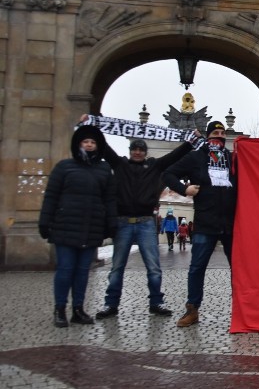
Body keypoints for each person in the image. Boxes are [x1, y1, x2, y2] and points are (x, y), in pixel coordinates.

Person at [94, 135, 197, 320]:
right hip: (123, 221)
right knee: (117, 266)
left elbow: (173, 156)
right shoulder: (119, 164)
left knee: (154, 266)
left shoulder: (155, 166)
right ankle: (111, 304)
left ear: (145, 152)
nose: (138, 152)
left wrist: (190, 142)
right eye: (135, 148)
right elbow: (104, 148)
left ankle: (156, 302)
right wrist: (92, 128)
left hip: (146, 221)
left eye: (141, 149)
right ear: (130, 150)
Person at [39, 125, 117, 327]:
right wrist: (45, 221)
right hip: (65, 226)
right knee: (65, 269)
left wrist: (111, 223)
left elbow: (109, 199)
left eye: (93, 142)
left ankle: (78, 309)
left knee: (83, 271)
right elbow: (51, 196)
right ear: (78, 144)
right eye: (85, 142)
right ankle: (60, 309)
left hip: (91, 227)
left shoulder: (103, 169)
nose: (89, 145)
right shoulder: (64, 167)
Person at [163, 120, 237, 327]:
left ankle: (241, 310)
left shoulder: (233, 159)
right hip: (205, 222)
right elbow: (167, 173)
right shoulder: (196, 157)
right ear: (208, 136)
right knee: (197, 268)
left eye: (222, 133)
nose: (219, 136)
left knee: (237, 270)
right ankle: (192, 309)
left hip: (230, 223)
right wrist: (184, 189)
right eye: (215, 132)